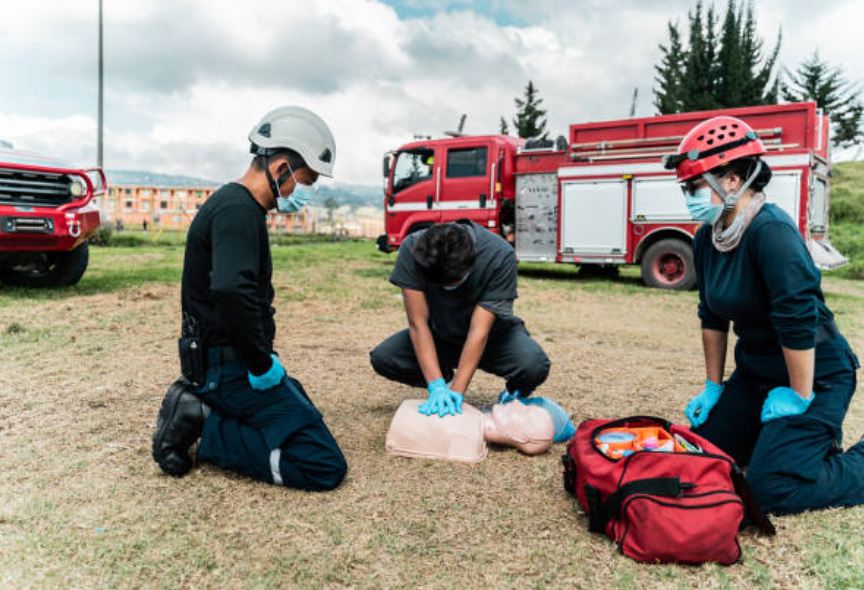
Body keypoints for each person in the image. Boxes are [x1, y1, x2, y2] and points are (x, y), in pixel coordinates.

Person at [664, 115, 864, 515]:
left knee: (771, 488)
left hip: (816, 373)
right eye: (685, 187)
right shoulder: (707, 237)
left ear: (733, 180)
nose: (688, 196)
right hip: (757, 373)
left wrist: (799, 393)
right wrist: (713, 387)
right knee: (705, 458)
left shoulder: (770, 230)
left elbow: (797, 318)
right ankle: (793, 440)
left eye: (695, 185)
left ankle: (830, 449)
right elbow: (712, 316)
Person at [152, 106, 347, 491]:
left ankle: (209, 410)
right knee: (323, 465)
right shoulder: (238, 211)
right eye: (301, 183)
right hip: (228, 368)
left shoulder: (240, 208)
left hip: (231, 361)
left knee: (301, 406)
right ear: (280, 170)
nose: (297, 194)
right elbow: (231, 289)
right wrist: (259, 364)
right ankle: (204, 419)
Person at [370, 220, 551, 417]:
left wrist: (458, 392)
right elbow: (418, 324)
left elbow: (479, 332)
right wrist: (437, 385)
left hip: (492, 338)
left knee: (533, 365)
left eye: (450, 284)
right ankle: (444, 378)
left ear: (471, 263)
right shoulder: (412, 249)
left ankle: (512, 395)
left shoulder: (499, 255)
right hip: (439, 334)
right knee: (384, 358)